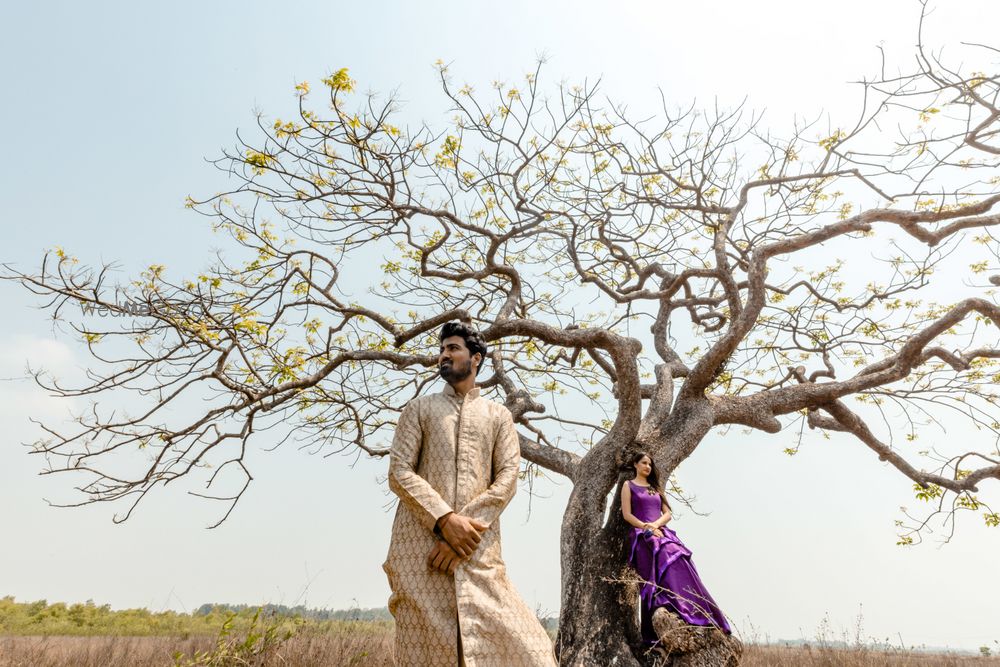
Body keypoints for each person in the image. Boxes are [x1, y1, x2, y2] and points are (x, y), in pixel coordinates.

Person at [382, 321, 557, 667]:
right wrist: (444, 521)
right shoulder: (419, 410)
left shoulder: (498, 416)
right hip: (422, 556)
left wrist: (462, 534)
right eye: (442, 349)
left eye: (453, 348)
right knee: (431, 655)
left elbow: (507, 478)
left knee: (532, 652)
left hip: (478, 554)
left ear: (475, 358)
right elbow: (399, 472)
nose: (444, 355)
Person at [620, 451, 732, 645]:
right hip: (641, 534)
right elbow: (627, 515)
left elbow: (667, 513)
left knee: (678, 558)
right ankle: (659, 618)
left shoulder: (655, 488)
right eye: (644, 463)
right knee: (654, 569)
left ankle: (693, 608)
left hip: (660, 531)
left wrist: (655, 526)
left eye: (650, 464)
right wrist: (646, 527)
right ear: (636, 465)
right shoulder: (628, 486)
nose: (648, 467)